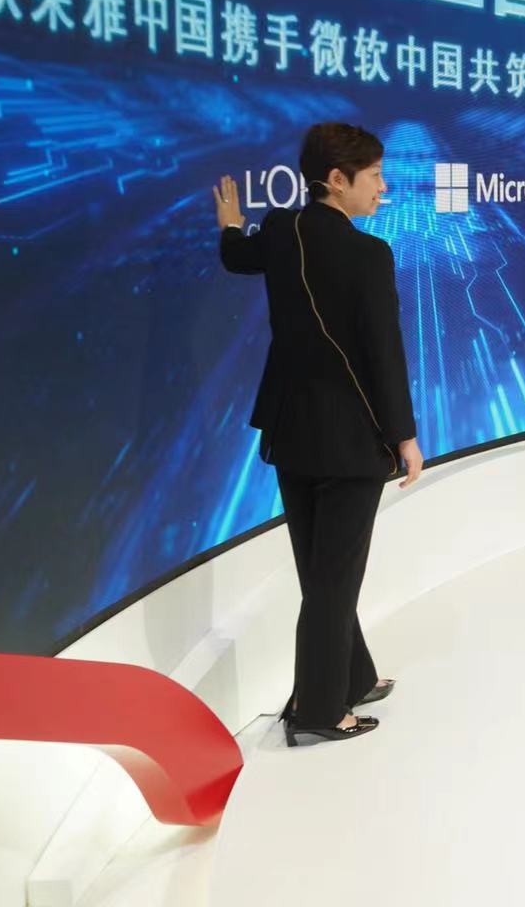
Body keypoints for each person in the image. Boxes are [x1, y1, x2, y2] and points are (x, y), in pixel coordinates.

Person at [215, 123, 423, 747]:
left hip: (291, 433)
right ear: (337, 179)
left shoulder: (281, 231)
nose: (383, 188)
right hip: (351, 442)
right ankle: (321, 709)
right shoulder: (369, 255)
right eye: (375, 176)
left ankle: (353, 675)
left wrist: (230, 226)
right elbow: (384, 356)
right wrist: (405, 437)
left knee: (320, 571)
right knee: (334, 581)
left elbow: (237, 258)